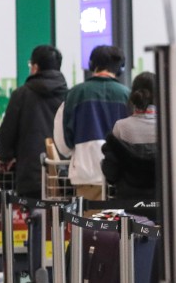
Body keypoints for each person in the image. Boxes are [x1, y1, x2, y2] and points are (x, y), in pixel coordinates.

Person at [101, 71, 176, 201]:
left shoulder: (121, 128)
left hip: (129, 206)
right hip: (167, 206)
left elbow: (111, 174)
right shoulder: (172, 131)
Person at [54, 45, 129, 200]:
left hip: (87, 176)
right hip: (122, 180)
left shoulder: (74, 95)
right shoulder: (128, 96)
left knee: (89, 223)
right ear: (120, 69)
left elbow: (63, 145)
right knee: (122, 224)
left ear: (91, 65)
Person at [0, 45, 68, 198]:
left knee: (35, 218)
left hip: (30, 176)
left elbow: (7, 132)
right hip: (64, 175)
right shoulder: (70, 96)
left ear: (35, 67)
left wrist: (4, 157)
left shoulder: (21, 95)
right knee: (63, 219)